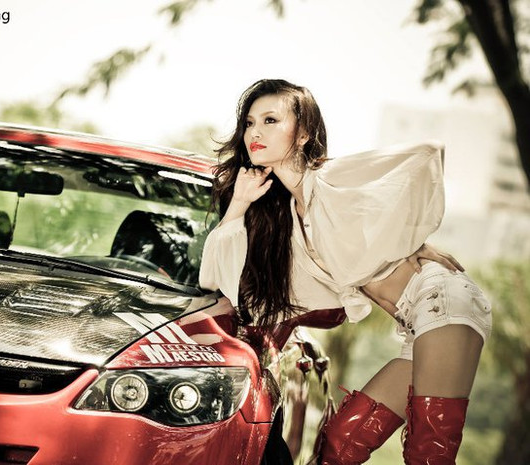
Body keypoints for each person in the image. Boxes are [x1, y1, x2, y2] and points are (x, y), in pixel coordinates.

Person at [199, 79, 492, 464]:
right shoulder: (288, 222)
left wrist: (409, 239)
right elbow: (215, 278)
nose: (255, 132)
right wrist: (239, 203)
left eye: (271, 120)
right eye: (250, 123)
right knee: (340, 442)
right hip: (414, 323)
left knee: (429, 452)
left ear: (303, 134)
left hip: (442, 302)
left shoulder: (332, 180)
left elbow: (424, 155)